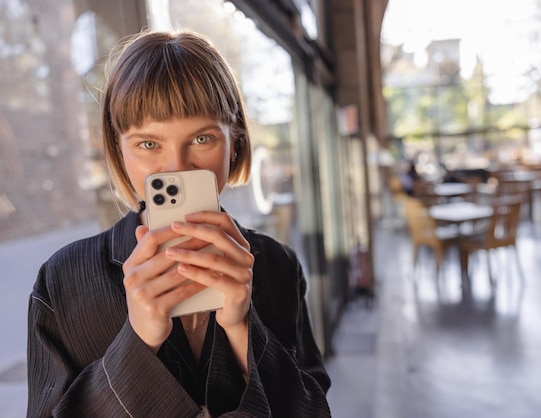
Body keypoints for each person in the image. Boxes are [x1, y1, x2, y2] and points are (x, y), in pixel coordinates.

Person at [26, 30, 331, 417]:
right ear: (119, 151)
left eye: (202, 139)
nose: (177, 167)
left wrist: (241, 328)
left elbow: (314, 409)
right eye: (148, 144)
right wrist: (138, 342)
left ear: (234, 141)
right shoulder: (62, 281)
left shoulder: (277, 266)